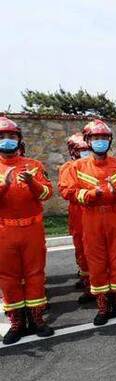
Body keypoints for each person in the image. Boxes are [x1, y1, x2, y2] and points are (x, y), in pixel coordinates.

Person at [63, 119, 116, 325]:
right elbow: (67, 191)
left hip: (115, 217)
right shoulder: (76, 167)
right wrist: (88, 194)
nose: (100, 141)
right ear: (88, 140)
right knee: (96, 262)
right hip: (91, 217)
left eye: (104, 138)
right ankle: (103, 306)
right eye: (96, 138)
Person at [0, 117, 54, 345]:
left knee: (34, 273)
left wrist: (32, 182)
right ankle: (16, 322)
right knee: (9, 277)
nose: (7, 141)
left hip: (32, 227)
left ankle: (37, 319)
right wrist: (3, 184)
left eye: (11, 137)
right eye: (2, 137)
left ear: (19, 139)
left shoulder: (34, 165)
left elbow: (46, 194)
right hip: (4, 230)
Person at [59, 133, 91, 294]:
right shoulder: (68, 167)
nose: (85, 152)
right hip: (78, 213)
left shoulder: (93, 165)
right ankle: (87, 280)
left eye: (86, 149)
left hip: (94, 213)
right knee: (81, 248)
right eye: (81, 149)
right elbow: (66, 192)